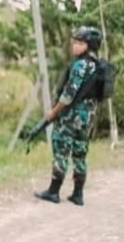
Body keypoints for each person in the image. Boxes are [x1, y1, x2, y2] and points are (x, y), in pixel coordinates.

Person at [35, 25, 103, 206]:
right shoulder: (96, 65)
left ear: (88, 45)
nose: (74, 45)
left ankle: (53, 191)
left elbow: (68, 95)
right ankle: (78, 194)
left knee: (61, 150)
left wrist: (53, 113)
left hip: (72, 116)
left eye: (80, 42)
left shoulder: (80, 65)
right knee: (80, 154)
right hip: (88, 118)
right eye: (75, 42)